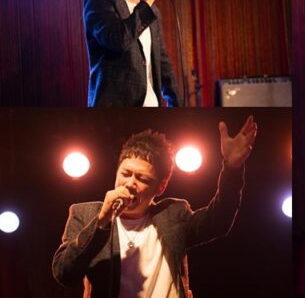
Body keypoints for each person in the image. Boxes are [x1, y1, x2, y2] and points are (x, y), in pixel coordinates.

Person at [52, 116, 257, 297]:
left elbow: (218, 221)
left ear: (160, 187)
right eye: (125, 173)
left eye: (142, 179)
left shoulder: (172, 214)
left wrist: (232, 168)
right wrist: (102, 222)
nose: (130, 183)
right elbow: (64, 273)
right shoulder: (85, 213)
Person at [83, 0, 178, 107]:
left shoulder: (152, 11)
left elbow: (161, 60)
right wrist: (148, 1)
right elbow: (117, 40)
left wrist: (176, 103)